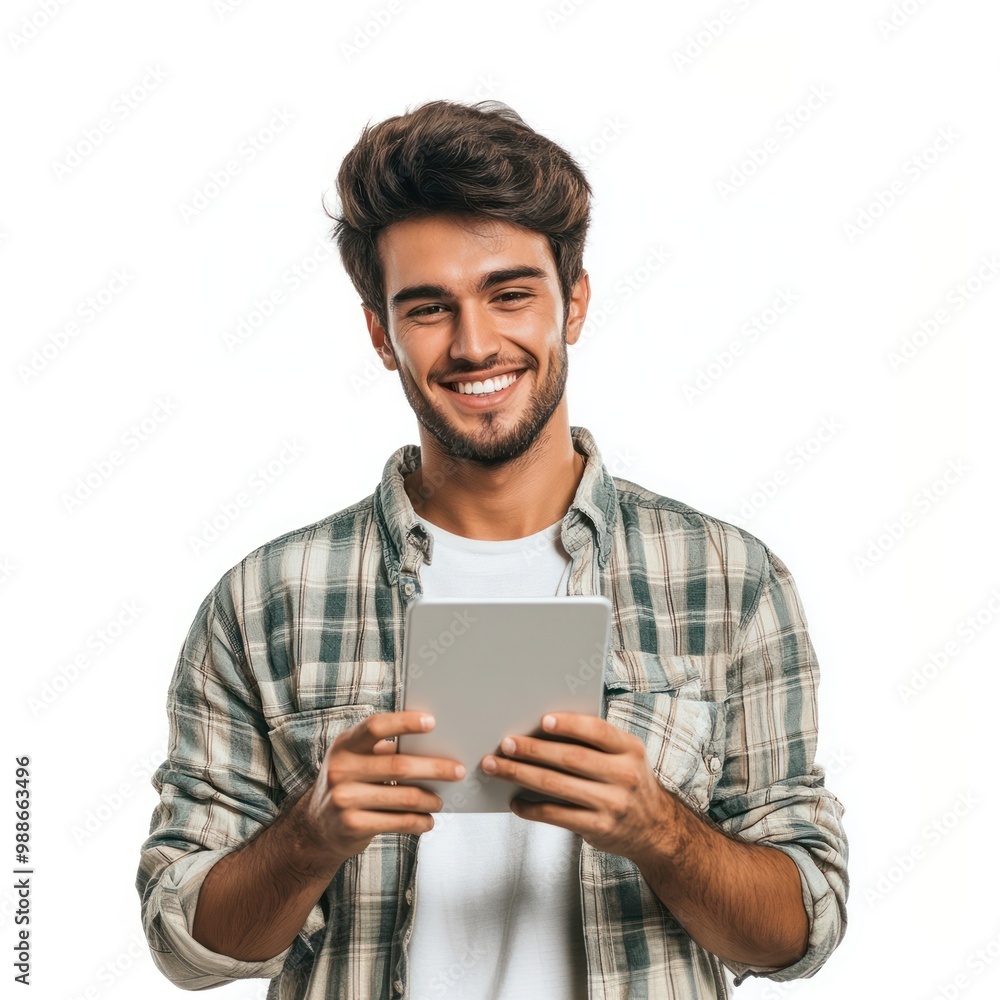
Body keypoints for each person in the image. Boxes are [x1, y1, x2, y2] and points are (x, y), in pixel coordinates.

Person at [137, 99, 848, 999]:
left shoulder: (730, 581)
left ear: (573, 303)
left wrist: (658, 829)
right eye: (429, 308)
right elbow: (186, 947)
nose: (475, 345)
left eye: (510, 294)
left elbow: (801, 934)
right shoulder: (265, 600)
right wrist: (311, 834)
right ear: (380, 334)